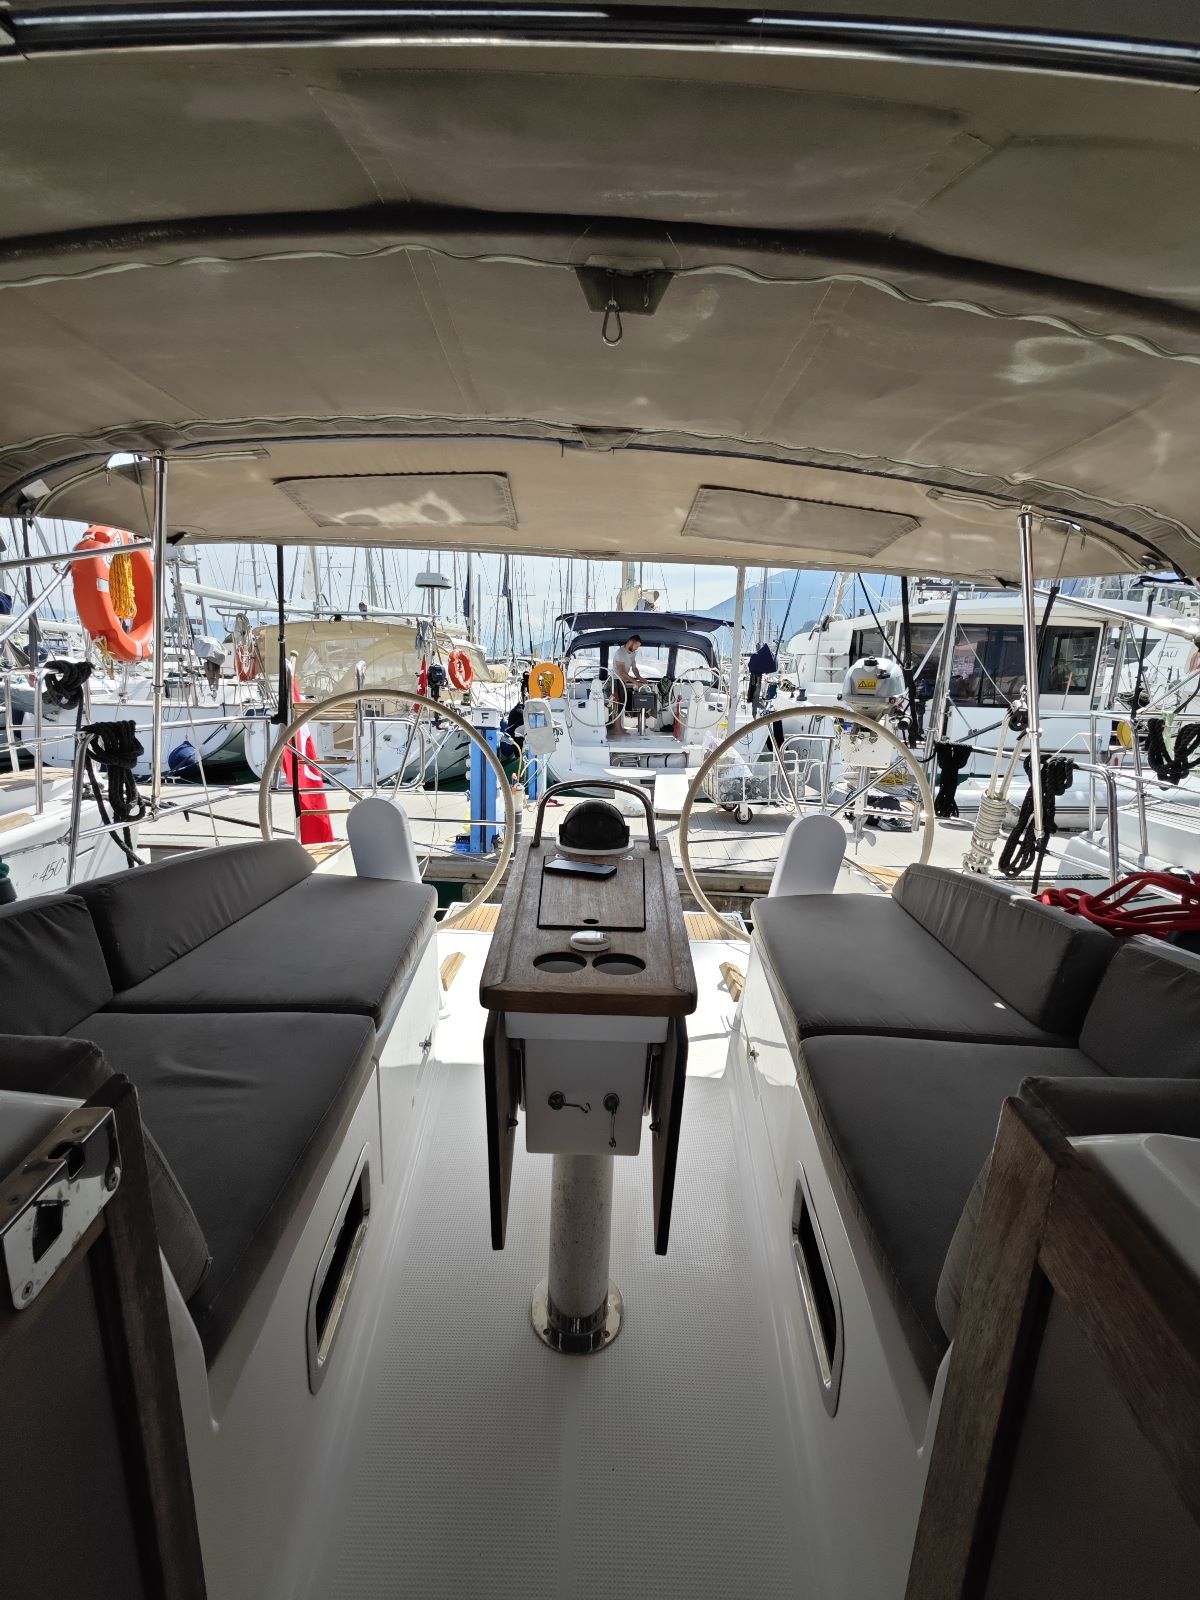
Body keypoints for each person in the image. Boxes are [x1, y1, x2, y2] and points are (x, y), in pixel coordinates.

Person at [610, 633, 644, 736]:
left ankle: (620, 728)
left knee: (622, 704)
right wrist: (634, 682)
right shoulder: (620, 652)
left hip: (622, 681)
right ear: (631, 642)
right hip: (616, 680)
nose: (637, 648)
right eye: (636, 646)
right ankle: (618, 730)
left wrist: (640, 678)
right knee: (617, 705)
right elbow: (621, 672)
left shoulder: (633, 653)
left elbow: (634, 668)